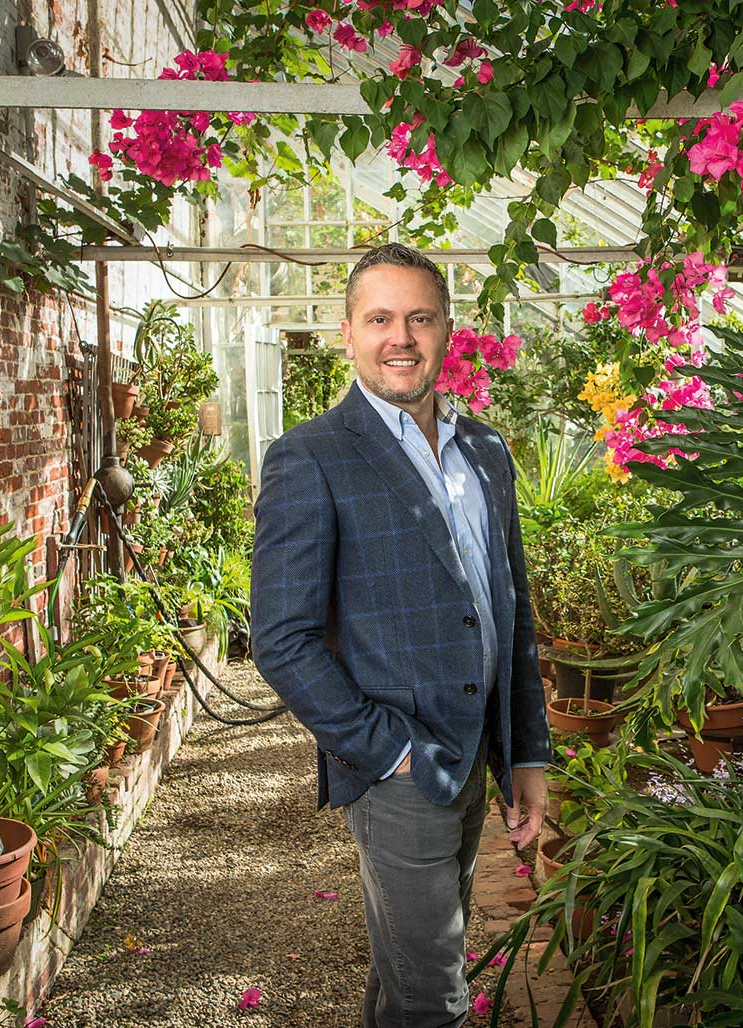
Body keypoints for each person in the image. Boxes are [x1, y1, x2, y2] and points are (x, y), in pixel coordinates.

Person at [250, 242, 550, 1028]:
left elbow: (509, 609)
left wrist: (526, 751)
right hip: (399, 773)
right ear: (347, 334)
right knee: (435, 996)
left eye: (419, 317)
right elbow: (280, 639)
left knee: (403, 978)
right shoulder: (309, 458)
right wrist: (389, 751)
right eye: (379, 318)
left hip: (476, 755)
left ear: (448, 329)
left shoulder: (486, 451)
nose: (401, 337)